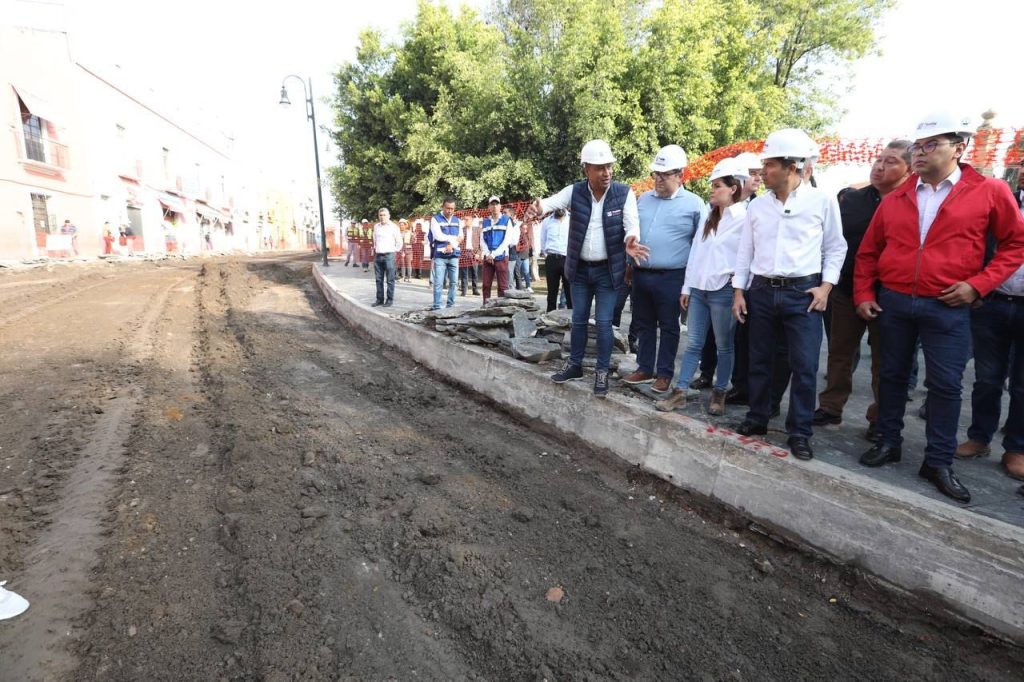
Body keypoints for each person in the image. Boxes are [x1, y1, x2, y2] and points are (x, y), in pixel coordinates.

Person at [855, 111, 1024, 503]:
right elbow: (868, 252)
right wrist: (864, 293)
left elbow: (1015, 244)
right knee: (893, 376)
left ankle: (937, 461)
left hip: (948, 306)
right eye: (918, 145)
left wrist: (979, 285)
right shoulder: (898, 196)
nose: (920, 152)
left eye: (931, 145)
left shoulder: (989, 191)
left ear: (959, 148)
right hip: (895, 301)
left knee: (946, 386)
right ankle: (887, 441)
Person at [732, 128, 847, 461]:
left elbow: (835, 247)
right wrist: (739, 291)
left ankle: (799, 431)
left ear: (792, 166)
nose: (762, 171)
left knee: (805, 365)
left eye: (769, 165)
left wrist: (826, 287)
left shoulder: (821, 201)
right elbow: (745, 251)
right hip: (762, 291)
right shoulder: (758, 207)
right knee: (759, 361)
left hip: (804, 293)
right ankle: (757, 417)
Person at [524, 139, 648, 398]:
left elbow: (631, 225)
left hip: (608, 272)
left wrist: (630, 240)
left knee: (603, 323)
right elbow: (550, 203)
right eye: (600, 168)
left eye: (609, 167)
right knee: (578, 320)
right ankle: (575, 365)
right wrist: (539, 206)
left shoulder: (623, 194)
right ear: (586, 170)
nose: (607, 172)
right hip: (579, 270)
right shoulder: (575, 191)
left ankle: (601, 372)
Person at [813, 141, 912, 438]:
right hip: (846, 288)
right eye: (879, 159)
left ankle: (879, 419)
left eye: (891, 161)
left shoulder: (913, 202)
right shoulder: (853, 200)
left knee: (886, 362)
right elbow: (833, 242)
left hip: (890, 294)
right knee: (840, 352)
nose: (880, 166)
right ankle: (830, 407)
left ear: (908, 168)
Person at [656, 158, 748, 415]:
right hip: (699, 290)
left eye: (717, 185)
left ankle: (720, 393)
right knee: (694, 342)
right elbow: (696, 253)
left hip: (723, 291)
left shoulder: (744, 219)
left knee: (724, 344)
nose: (712, 190)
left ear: (733, 188)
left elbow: (745, 256)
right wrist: (687, 287)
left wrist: (738, 286)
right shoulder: (709, 217)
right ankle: (680, 391)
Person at [620, 144, 705, 394]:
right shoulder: (644, 199)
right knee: (643, 322)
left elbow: (702, 245)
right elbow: (633, 235)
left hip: (673, 276)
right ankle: (645, 367)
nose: (657, 179)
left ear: (680, 175)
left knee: (669, 326)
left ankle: (665, 373)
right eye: (655, 174)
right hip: (642, 273)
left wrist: (691, 283)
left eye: (664, 175)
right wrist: (629, 267)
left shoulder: (695, 204)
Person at [479, 196, 517, 304]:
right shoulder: (485, 222)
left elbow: (507, 240)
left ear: (500, 206)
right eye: (492, 204)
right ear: (489, 207)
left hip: (501, 257)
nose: (494, 206)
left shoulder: (506, 220)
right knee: (486, 285)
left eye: (496, 204)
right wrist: (487, 254)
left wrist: (494, 254)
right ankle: (486, 307)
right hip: (488, 257)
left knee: (503, 286)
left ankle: (502, 309)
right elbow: (482, 240)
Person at [430, 197, 462, 310]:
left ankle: (450, 305)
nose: (450, 211)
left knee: (453, 282)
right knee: (438, 282)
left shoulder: (458, 221)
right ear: (443, 207)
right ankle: (437, 306)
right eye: (448, 208)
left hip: (454, 255)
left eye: (452, 208)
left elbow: (461, 237)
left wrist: (451, 245)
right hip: (440, 256)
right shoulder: (435, 219)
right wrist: (453, 239)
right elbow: (438, 236)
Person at [539, 208, 571, 312]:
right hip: (552, 258)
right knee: (552, 291)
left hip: (568, 259)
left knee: (570, 291)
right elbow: (543, 240)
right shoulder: (547, 221)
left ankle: (573, 319)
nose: (559, 208)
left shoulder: (572, 219)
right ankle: (550, 319)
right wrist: (546, 254)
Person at [371, 208, 402, 307]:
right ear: (378, 216)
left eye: (384, 215)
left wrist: (393, 252)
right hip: (378, 256)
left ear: (389, 216)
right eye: (380, 215)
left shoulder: (394, 227)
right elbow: (374, 240)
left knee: (390, 279)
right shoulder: (376, 227)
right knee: (378, 279)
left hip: (389, 256)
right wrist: (376, 250)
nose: (382, 217)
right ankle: (379, 299)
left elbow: (399, 242)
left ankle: (389, 300)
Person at [458, 214, 480, 296]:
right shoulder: (462, 230)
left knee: (475, 272)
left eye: (467, 220)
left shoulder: (477, 230)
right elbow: (458, 242)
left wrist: (478, 253)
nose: (465, 221)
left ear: (471, 221)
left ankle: (475, 290)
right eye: (465, 220)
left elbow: (481, 242)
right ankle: (464, 290)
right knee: (464, 273)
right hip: (464, 253)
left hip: (474, 253)